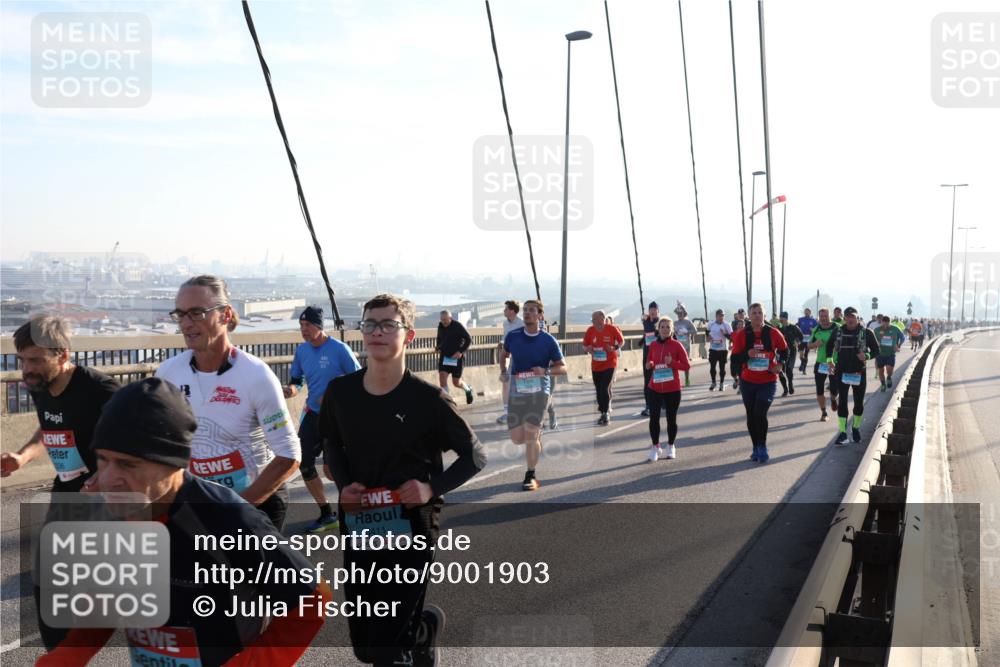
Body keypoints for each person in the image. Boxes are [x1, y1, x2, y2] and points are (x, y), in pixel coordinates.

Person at [37, 377, 327, 667]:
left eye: (128, 464)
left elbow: (312, 599)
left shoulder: (227, 518)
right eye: (103, 459)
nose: (109, 479)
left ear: (174, 463)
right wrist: (67, 656)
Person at [321, 294, 486, 665]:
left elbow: (476, 455)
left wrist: (430, 488)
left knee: (387, 649)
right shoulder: (340, 393)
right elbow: (331, 442)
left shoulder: (429, 399)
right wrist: (344, 485)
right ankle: (422, 629)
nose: (377, 332)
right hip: (359, 521)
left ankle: (407, 642)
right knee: (366, 645)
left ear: (409, 336)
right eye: (370, 324)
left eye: (388, 325)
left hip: (411, 523)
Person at [1, 315, 120, 652]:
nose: (27, 369)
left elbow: (134, 444)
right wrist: (24, 456)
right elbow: (49, 428)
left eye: (36, 360)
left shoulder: (101, 391)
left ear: (63, 355)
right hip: (68, 493)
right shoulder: (41, 385)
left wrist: (101, 479)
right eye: (22, 360)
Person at [155, 275, 301, 530]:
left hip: (256, 503)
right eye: (181, 314)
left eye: (197, 313)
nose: (186, 324)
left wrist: (239, 507)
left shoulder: (256, 375)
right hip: (201, 503)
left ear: (225, 315)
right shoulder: (168, 372)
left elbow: (289, 454)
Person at [283, 306, 361, 533]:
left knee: (333, 468)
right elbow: (297, 381)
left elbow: (358, 380)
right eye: (301, 326)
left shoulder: (339, 349)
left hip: (338, 419)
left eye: (307, 325)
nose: (303, 330)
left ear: (319, 326)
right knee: (303, 462)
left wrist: (339, 396)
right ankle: (327, 514)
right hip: (314, 414)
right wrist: (291, 390)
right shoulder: (302, 350)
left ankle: (352, 513)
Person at [501, 300, 566, 491]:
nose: (527, 313)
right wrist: (504, 370)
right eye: (525, 310)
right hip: (517, 391)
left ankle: (530, 475)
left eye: (532, 310)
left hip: (540, 392)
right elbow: (504, 353)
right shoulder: (513, 336)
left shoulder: (548, 340)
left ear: (540, 316)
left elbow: (563, 367)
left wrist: (545, 371)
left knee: (530, 434)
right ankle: (537, 437)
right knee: (517, 438)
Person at [730, 303, 788, 463]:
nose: (757, 315)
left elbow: (785, 350)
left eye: (760, 312)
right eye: (754, 312)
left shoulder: (773, 332)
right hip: (748, 382)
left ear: (764, 315)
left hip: (767, 381)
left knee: (759, 413)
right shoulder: (742, 334)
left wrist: (781, 364)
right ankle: (755, 447)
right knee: (751, 415)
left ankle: (762, 446)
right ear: (749, 315)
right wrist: (746, 354)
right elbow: (734, 359)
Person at [826, 307, 881, 444]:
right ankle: (843, 433)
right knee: (843, 402)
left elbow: (877, 350)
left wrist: (867, 355)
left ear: (857, 318)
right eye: (848, 316)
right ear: (844, 318)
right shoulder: (838, 331)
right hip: (841, 372)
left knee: (858, 403)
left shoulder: (867, 332)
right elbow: (828, 346)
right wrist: (830, 361)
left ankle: (856, 428)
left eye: (853, 317)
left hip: (858, 372)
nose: (850, 319)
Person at [645, 317, 691, 462]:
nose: (664, 329)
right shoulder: (653, 345)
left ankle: (671, 445)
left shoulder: (677, 345)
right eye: (662, 326)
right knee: (653, 419)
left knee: (671, 419)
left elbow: (686, 366)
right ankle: (655, 446)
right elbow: (649, 361)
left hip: (672, 388)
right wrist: (649, 364)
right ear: (658, 329)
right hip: (655, 387)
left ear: (672, 330)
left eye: (667, 327)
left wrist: (672, 363)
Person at [582, 310, 624, 425]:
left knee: (604, 388)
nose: (593, 322)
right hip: (596, 365)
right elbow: (584, 346)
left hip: (610, 363)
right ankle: (603, 410)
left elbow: (621, 341)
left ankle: (605, 413)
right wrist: (588, 349)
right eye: (592, 320)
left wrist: (614, 347)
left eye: (594, 319)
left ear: (601, 319)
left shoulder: (612, 328)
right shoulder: (590, 330)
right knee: (598, 389)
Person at [807, 308, 840, 422]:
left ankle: (834, 399)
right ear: (819, 317)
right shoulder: (817, 329)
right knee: (819, 390)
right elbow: (809, 345)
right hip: (821, 363)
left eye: (825, 316)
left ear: (829, 316)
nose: (823, 318)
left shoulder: (837, 327)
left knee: (834, 390)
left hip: (834, 363)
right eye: (821, 316)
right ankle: (824, 412)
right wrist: (815, 344)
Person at [435, 310, 474, 405]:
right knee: (442, 378)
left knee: (456, 382)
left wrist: (460, 351)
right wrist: (438, 347)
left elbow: (469, 339)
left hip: (456, 358)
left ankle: (468, 389)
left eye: (445, 319)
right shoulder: (440, 326)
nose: (443, 322)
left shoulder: (457, 326)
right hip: (445, 357)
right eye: (441, 319)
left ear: (450, 318)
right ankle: (447, 402)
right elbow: (439, 338)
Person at [496, 300, 523, 425]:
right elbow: (505, 338)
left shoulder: (522, 323)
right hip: (508, 356)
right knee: (505, 382)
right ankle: (507, 413)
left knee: (520, 386)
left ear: (512, 311)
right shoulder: (505, 323)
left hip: (521, 358)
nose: (504, 311)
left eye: (506, 309)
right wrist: (502, 342)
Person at [873, 315, 904, 391]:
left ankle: (889, 377)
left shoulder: (895, 329)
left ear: (890, 322)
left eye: (888, 324)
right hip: (880, 354)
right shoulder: (876, 330)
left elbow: (902, 337)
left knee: (889, 369)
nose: (886, 326)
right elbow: (872, 340)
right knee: (881, 370)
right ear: (881, 322)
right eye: (884, 324)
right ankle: (883, 384)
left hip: (891, 353)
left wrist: (898, 345)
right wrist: (876, 345)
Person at [640, 301, 660, 417]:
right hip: (647, 356)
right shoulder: (646, 321)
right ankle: (648, 406)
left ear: (658, 312)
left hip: (658, 356)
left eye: (655, 312)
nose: (652, 314)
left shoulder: (661, 323)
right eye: (651, 312)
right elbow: (646, 332)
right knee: (647, 382)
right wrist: (642, 340)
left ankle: (661, 401)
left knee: (658, 380)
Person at [777, 311, 804, 397]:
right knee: (780, 371)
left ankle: (790, 384)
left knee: (789, 369)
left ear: (786, 318)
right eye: (780, 317)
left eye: (782, 318)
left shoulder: (794, 327)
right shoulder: (778, 328)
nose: (781, 319)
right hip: (780, 352)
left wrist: (797, 342)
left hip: (792, 351)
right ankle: (785, 389)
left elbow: (801, 336)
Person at [672, 302, 697, 388]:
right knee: (675, 364)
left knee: (685, 363)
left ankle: (687, 379)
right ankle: (676, 380)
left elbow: (695, 331)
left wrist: (687, 332)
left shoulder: (688, 322)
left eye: (681, 313)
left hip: (686, 346)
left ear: (684, 313)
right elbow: (671, 333)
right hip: (677, 346)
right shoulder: (674, 323)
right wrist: (675, 333)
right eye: (678, 313)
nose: (679, 314)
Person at [706, 309, 732, 392]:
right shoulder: (711, 324)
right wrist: (708, 336)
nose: (721, 317)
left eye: (723, 315)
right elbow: (706, 331)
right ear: (716, 316)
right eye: (720, 315)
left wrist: (725, 334)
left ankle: (721, 383)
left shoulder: (726, 325)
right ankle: (713, 382)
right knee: (712, 367)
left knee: (722, 368)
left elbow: (731, 336)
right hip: (713, 349)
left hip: (722, 350)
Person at [729, 309, 747, 390]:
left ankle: (741, 387)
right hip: (734, 354)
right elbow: (730, 339)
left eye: (741, 324)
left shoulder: (746, 334)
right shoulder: (733, 334)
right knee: (733, 373)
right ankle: (736, 380)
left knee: (740, 372)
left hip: (742, 354)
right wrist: (730, 345)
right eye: (739, 324)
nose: (740, 325)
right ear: (737, 326)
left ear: (744, 326)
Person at [796, 308, 818, 374]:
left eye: (808, 312)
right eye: (805, 312)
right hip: (802, 339)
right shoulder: (800, 319)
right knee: (801, 355)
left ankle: (804, 369)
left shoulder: (813, 321)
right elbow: (797, 328)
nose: (806, 313)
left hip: (809, 339)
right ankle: (802, 362)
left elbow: (817, 329)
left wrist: (813, 330)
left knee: (806, 354)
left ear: (810, 312)